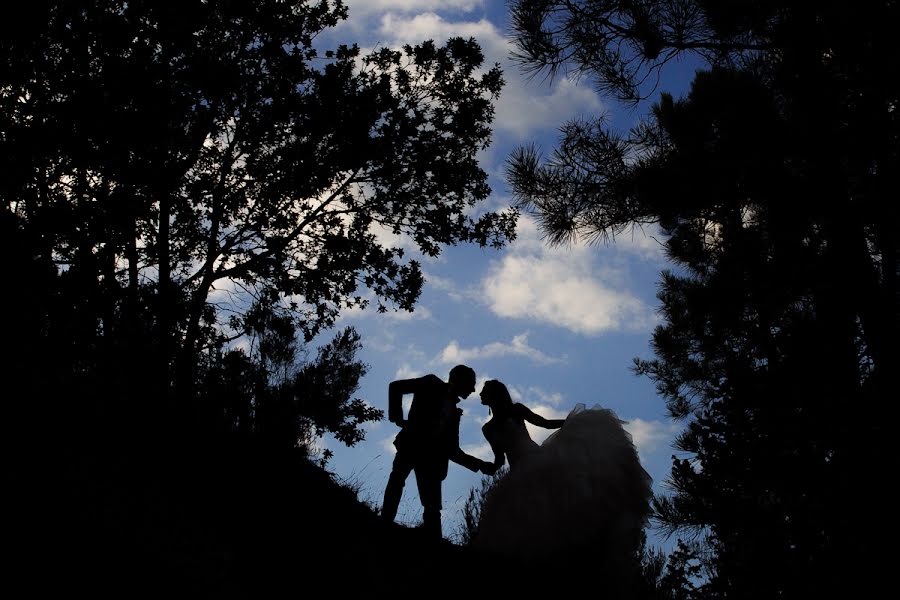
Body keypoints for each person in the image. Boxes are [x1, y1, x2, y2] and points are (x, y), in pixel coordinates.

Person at [473, 380, 654, 573]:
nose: (480, 394)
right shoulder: (488, 429)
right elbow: (500, 458)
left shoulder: (516, 410)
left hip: (536, 463)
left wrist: (570, 423)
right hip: (517, 473)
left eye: (484, 391)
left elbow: (544, 423)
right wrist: (486, 467)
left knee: (553, 509)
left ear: (494, 394)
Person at [380, 364, 493, 539]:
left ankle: (434, 542)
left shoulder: (455, 413)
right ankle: (383, 525)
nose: (472, 389)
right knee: (397, 481)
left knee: (432, 506)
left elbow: (453, 450)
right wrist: (397, 418)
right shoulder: (430, 382)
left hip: (432, 460)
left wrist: (479, 464)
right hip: (411, 445)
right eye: (470, 383)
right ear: (458, 380)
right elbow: (396, 387)